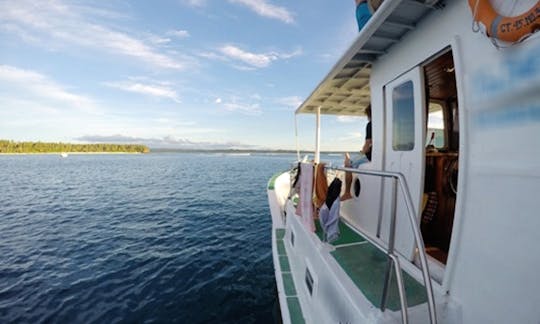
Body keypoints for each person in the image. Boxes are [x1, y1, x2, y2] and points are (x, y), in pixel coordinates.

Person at [342, 105, 372, 200]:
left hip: (370, 155)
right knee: (352, 159)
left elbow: (367, 145)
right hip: (377, 155)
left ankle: (347, 193)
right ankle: (348, 157)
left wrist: (363, 151)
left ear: (368, 114)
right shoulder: (383, 124)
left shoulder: (370, 125)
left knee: (348, 165)